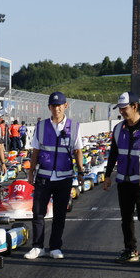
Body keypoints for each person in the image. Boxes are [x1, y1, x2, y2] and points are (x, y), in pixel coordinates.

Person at [24, 91, 84, 260]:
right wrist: (31, 172)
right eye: (53, 106)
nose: (56, 109)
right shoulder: (42, 126)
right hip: (44, 176)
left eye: (59, 106)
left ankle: (55, 247)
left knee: (60, 214)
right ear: (49, 107)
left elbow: (78, 151)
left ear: (65, 106)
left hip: (64, 177)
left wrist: (80, 171)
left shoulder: (74, 127)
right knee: (38, 212)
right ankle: (37, 247)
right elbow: (36, 151)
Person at [102, 91, 140, 266]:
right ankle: (130, 249)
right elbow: (113, 154)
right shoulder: (118, 129)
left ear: (135, 106)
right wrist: (107, 176)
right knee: (126, 217)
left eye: (124, 108)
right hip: (123, 180)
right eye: (120, 108)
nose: (122, 111)